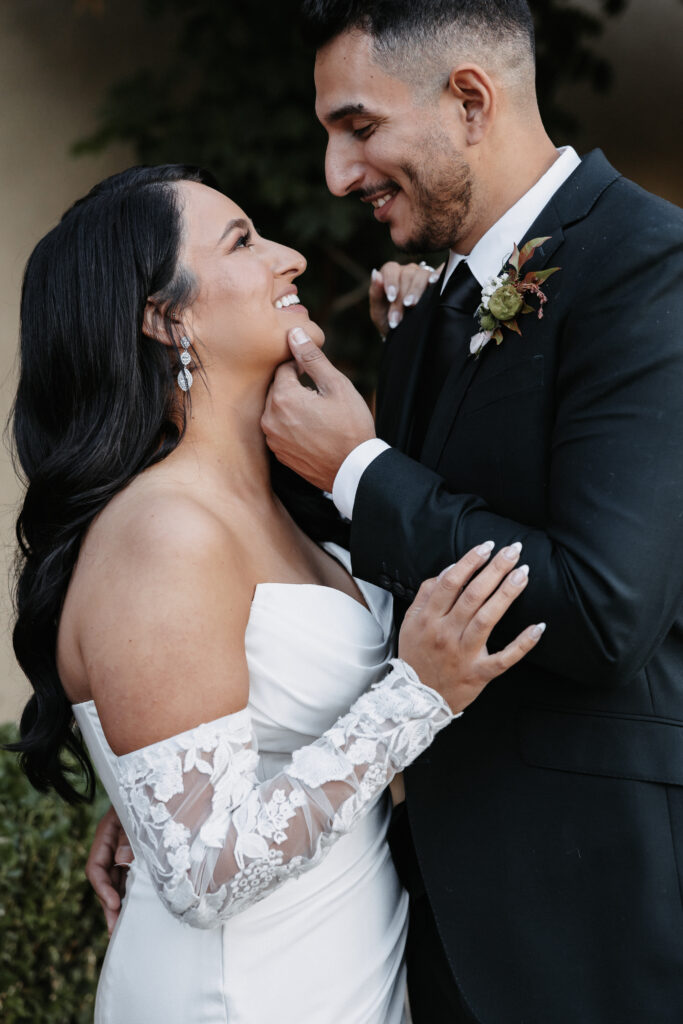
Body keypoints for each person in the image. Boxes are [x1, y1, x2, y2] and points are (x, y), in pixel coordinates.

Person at [8, 164, 542, 1023]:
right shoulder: (163, 533)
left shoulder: (292, 504)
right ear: (164, 317)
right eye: (243, 242)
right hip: (239, 992)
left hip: (345, 975)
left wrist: (423, 336)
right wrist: (415, 695)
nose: (289, 256)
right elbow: (200, 874)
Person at [258, 2, 683, 1022]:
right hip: (433, 914)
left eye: (358, 127)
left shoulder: (648, 266)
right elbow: (384, 566)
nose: (337, 175)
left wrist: (357, 467)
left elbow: (602, 609)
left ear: (469, 101)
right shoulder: (427, 305)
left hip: (594, 919)